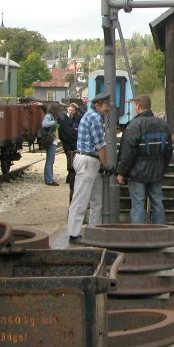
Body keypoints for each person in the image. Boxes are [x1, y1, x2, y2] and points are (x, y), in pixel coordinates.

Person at [116, 95, 173, 225]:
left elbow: (128, 152)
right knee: (157, 203)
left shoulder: (134, 125)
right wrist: (162, 168)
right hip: (156, 171)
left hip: (137, 172)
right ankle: (160, 235)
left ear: (138, 106)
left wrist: (121, 172)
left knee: (138, 204)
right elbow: (169, 150)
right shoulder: (163, 125)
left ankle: (138, 236)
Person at [67, 92, 112, 243]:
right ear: (98, 105)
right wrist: (106, 164)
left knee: (95, 199)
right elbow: (101, 145)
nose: (108, 108)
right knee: (81, 199)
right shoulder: (95, 118)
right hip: (88, 160)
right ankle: (74, 234)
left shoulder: (92, 116)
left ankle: (93, 230)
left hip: (90, 161)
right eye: (106, 105)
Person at [58, 102, 81, 197]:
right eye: (69, 109)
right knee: (69, 157)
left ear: (75, 111)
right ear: (67, 109)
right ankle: (70, 176)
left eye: (72, 110)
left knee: (74, 158)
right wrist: (72, 131)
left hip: (73, 142)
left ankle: (70, 176)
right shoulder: (62, 118)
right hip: (66, 142)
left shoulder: (76, 118)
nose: (70, 111)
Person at [41, 103, 60, 186]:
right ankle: (49, 180)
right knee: (50, 161)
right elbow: (44, 124)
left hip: (53, 140)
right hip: (51, 140)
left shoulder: (50, 115)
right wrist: (54, 123)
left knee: (50, 161)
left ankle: (49, 178)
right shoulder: (49, 116)